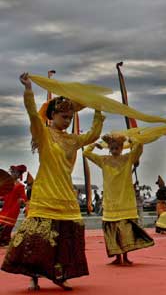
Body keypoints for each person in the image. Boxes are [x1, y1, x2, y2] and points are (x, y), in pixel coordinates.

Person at [1, 73, 105, 291]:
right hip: (44, 193)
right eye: (63, 117)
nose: (67, 121)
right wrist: (28, 89)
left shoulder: (73, 139)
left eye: (69, 117)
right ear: (52, 115)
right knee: (37, 239)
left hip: (65, 195)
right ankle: (34, 277)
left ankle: (60, 275)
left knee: (65, 239)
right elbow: (32, 114)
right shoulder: (44, 134)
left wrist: (98, 109)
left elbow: (94, 135)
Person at [83, 133, 154, 265]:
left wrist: (130, 139)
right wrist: (95, 145)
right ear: (109, 148)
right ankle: (117, 258)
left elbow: (139, 147)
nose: (115, 150)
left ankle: (125, 257)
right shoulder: (103, 160)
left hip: (125, 199)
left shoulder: (128, 158)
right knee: (112, 230)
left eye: (117, 148)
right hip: (110, 201)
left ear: (122, 148)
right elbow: (86, 153)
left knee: (125, 231)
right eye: (112, 148)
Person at [0, 165, 27, 246]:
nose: (12, 173)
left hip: (13, 208)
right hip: (6, 207)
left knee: (7, 226)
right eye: (12, 172)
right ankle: (4, 240)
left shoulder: (20, 186)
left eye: (14, 172)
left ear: (19, 175)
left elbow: (24, 198)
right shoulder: (8, 185)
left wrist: (22, 200)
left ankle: (4, 240)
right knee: (1, 224)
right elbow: (4, 196)